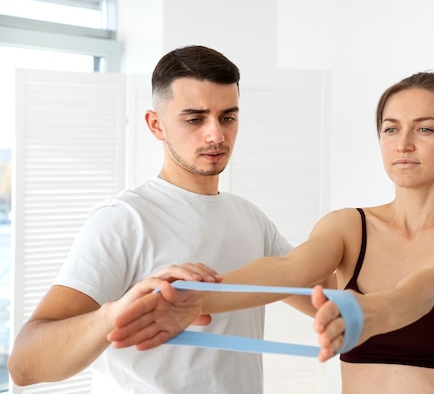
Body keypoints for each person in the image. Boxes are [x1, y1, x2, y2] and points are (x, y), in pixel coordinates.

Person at [108, 71, 434, 394]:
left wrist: (377, 311)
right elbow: (290, 270)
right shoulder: (349, 226)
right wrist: (190, 299)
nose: (403, 143)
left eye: (424, 129)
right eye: (391, 129)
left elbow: (432, 283)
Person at [7, 45, 303, 393]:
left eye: (228, 117)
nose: (216, 135)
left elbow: (329, 300)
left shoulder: (252, 219)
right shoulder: (123, 220)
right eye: (195, 119)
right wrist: (112, 314)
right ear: (155, 124)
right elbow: (23, 365)